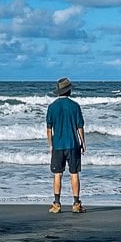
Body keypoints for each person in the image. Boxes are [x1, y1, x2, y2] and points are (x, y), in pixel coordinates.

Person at [45, 77, 86, 213]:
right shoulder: (75, 106)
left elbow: (49, 129)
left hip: (58, 145)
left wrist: (50, 144)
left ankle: (57, 204)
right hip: (73, 144)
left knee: (58, 174)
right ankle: (76, 204)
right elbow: (80, 127)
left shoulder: (52, 107)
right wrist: (83, 143)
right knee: (74, 174)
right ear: (68, 90)